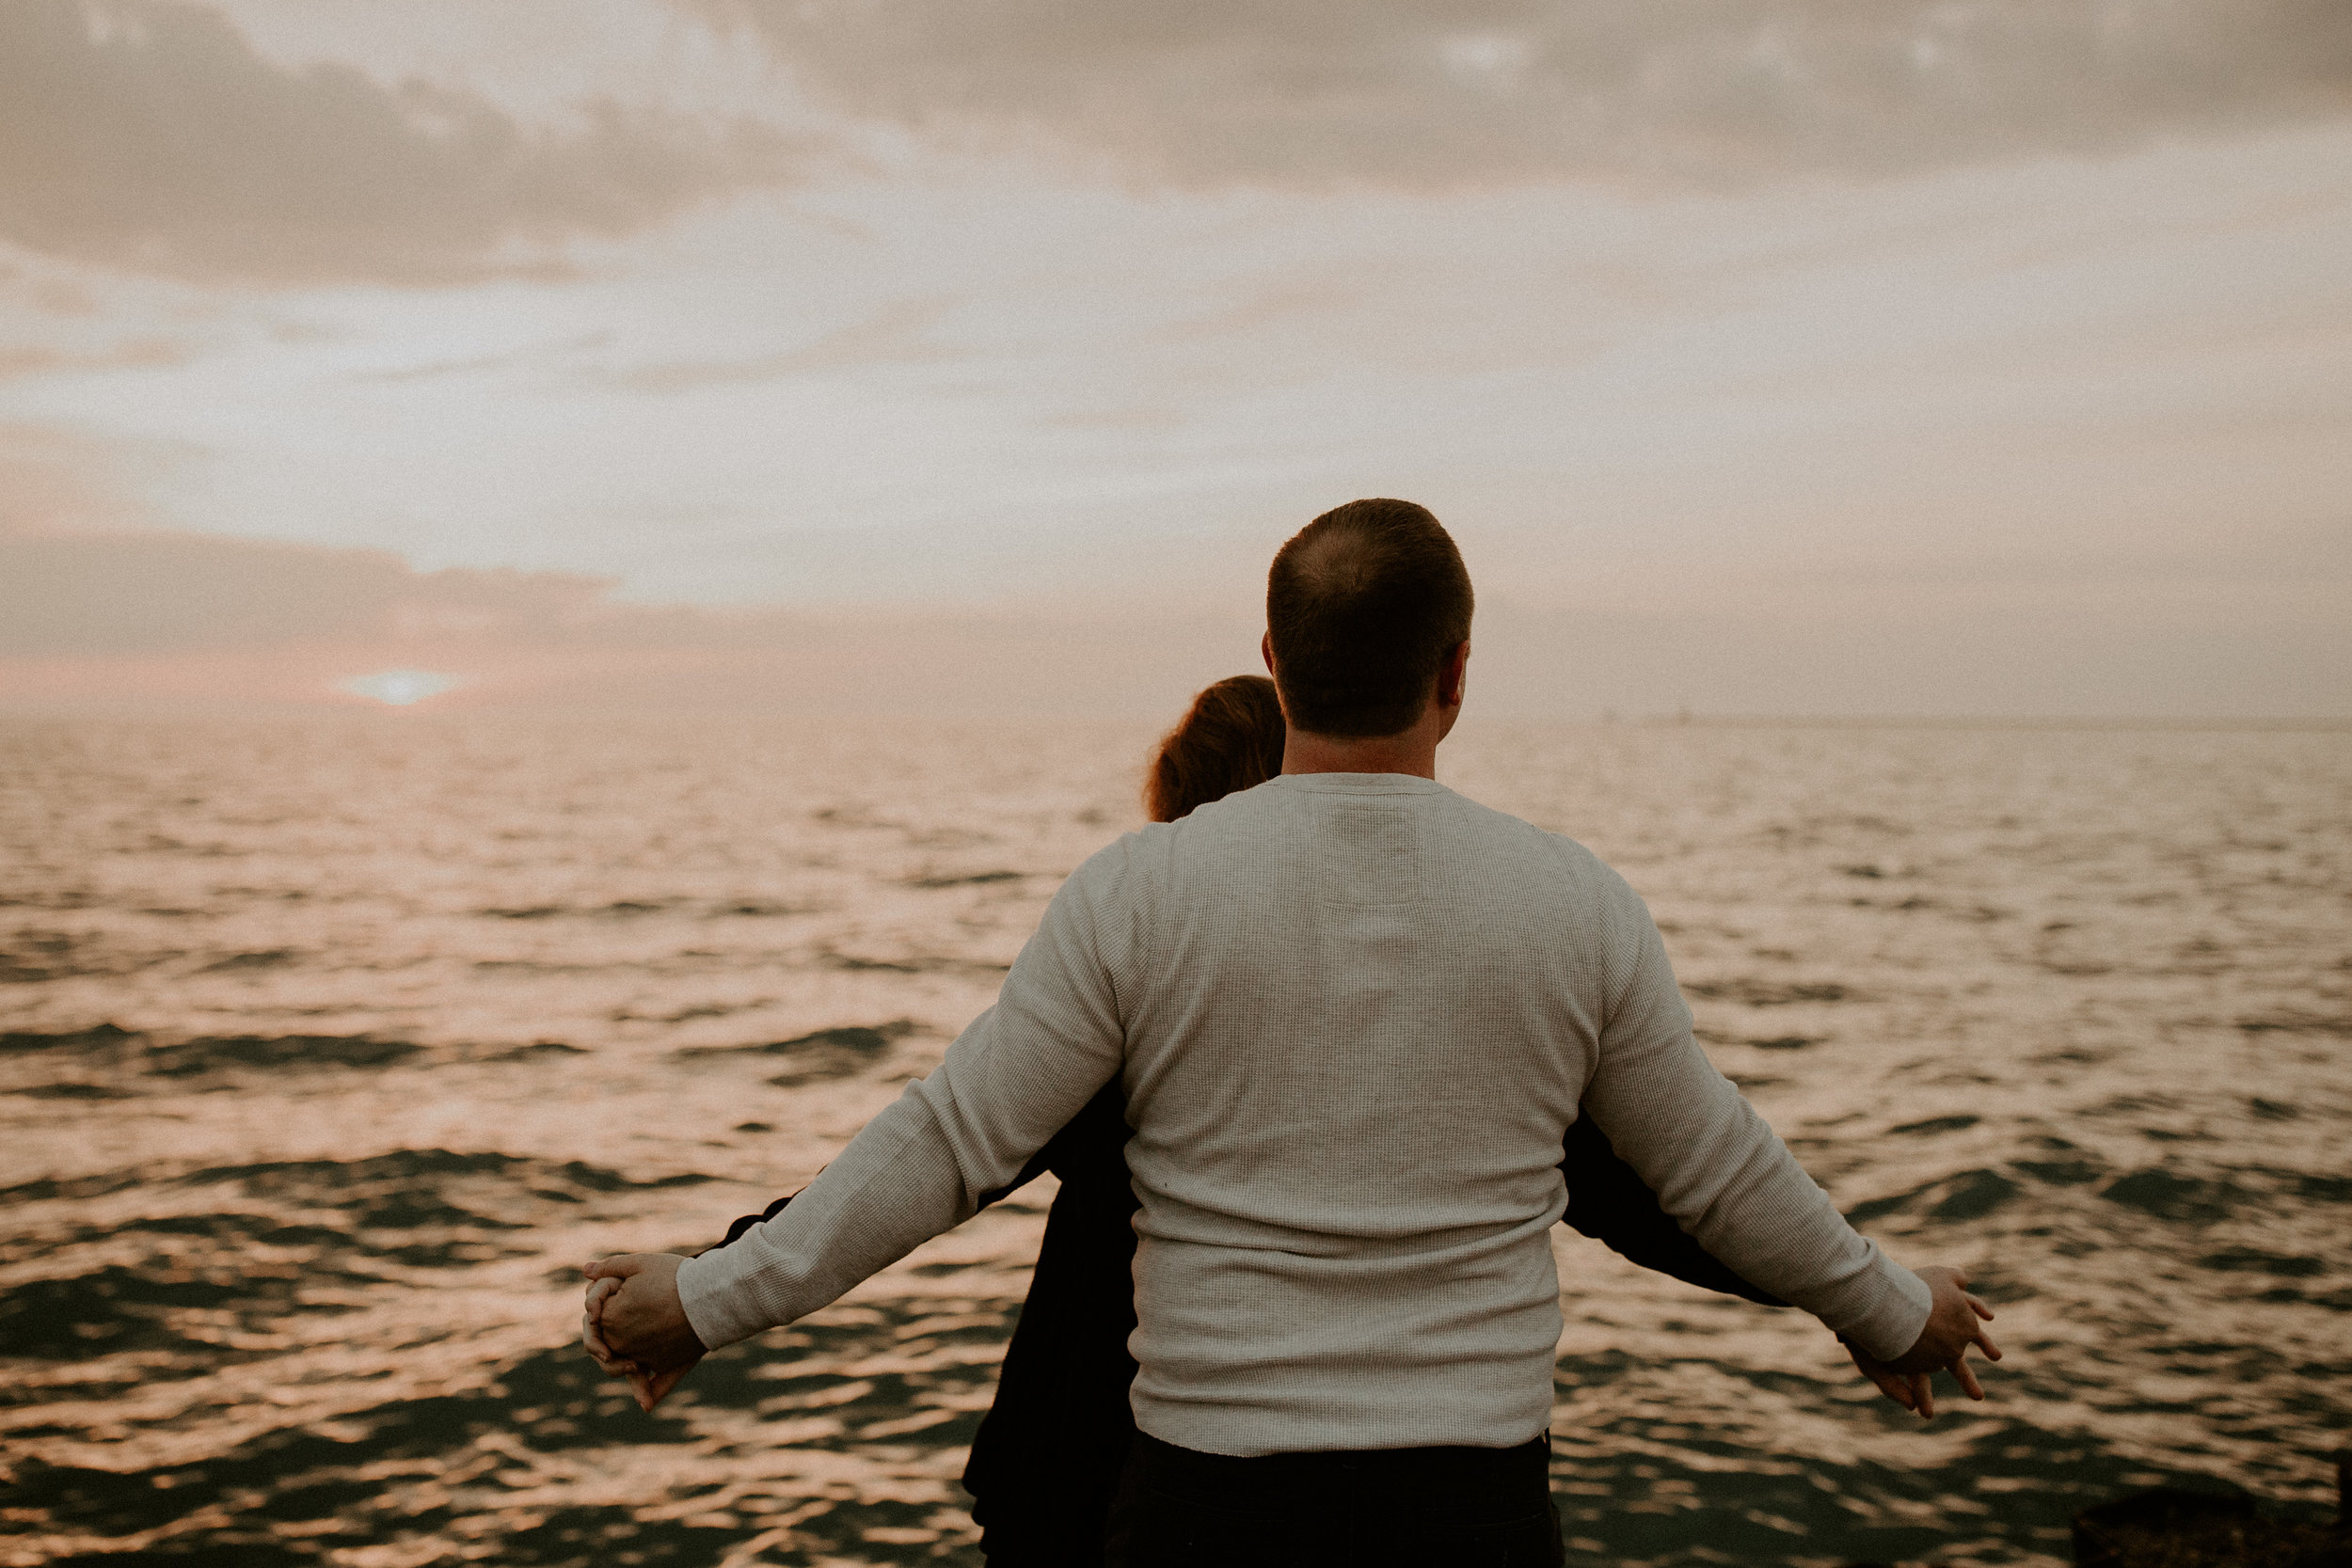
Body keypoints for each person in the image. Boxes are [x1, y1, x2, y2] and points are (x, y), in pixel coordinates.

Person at [585, 499, 1998, 1567]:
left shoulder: (1141, 892)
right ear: (1457, 671)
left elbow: (948, 1146)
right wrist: (1885, 1307)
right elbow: (1712, 1173)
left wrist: (708, 1300)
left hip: (1208, 1506)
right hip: (1473, 1508)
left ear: (1276, 658)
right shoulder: (1575, 903)